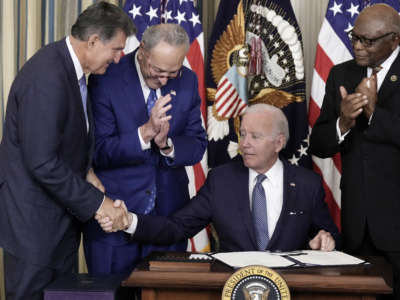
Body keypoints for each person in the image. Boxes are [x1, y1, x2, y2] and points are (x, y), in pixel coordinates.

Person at [0, 2, 135, 300]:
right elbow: (42, 162)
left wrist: (86, 172)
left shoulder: (70, 70)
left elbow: (61, 139)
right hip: (33, 228)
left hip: (57, 224)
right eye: (116, 49)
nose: (117, 59)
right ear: (94, 41)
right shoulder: (47, 76)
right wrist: (99, 203)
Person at [99, 103, 340, 253]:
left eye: (255, 137)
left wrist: (324, 240)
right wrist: (129, 221)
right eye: (242, 134)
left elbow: (326, 234)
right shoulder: (222, 180)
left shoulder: (307, 184)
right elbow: (177, 226)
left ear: (279, 142)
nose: (244, 144)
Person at [83, 23, 207, 275]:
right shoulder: (106, 76)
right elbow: (98, 151)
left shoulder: (187, 80)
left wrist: (166, 144)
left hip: (168, 219)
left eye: (171, 73)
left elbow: (197, 145)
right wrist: (143, 134)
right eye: (157, 70)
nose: (163, 79)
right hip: (115, 217)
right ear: (142, 51)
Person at [309, 4, 400, 299]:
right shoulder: (341, 75)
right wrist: (343, 122)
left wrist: (373, 113)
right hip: (357, 223)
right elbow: (319, 145)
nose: (358, 47)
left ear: (394, 39)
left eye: (368, 41)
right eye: (354, 38)